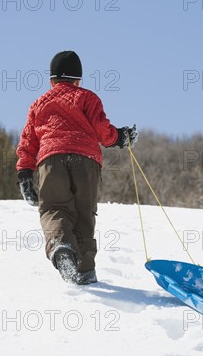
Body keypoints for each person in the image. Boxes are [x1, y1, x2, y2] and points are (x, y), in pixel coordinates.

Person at [16, 50, 138, 285]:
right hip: (86, 161)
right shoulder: (88, 98)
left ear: (51, 80)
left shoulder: (38, 104)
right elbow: (104, 132)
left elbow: (27, 142)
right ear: (78, 79)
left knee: (54, 208)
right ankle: (84, 271)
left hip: (51, 160)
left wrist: (24, 174)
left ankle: (60, 244)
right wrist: (121, 137)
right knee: (84, 214)